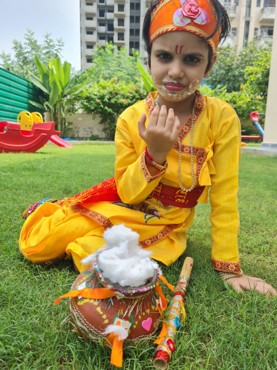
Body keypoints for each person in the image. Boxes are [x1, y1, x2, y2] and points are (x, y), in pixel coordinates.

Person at [19, 0, 276, 296]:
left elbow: (225, 197)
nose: (176, 71)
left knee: (88, 248)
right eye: (164, 56)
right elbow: (128, 193)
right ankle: (52, 213)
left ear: (210, 65)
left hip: (165, 226)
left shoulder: (221, 118)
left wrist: (228, 268)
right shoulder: (131, 118)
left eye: (192, 60)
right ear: (149, 58)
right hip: (125, 207)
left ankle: (98, 253)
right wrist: (154, 154)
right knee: (39, 245)